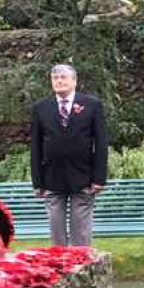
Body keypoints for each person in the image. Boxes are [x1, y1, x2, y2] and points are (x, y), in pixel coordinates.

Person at [30, 64, 108, 247]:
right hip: (51, 178)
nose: (59, 81)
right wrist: (37, 182)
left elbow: (101, 144)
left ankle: (81, 266)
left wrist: (99, 178)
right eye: (55, 78)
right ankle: (60, 266)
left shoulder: (92, 105)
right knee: (55, 226)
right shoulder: (41, 108)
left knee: (80, 230)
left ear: (74, 81)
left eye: (63, 77)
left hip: (83, 177)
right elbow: (35, 146)